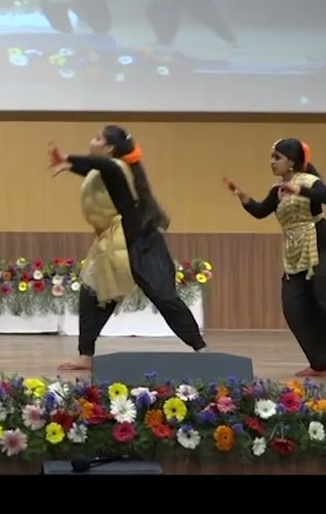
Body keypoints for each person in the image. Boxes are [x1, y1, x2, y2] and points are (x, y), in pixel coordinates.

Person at [223, 138, 326, 381]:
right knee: (295, 308)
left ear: (291, 162)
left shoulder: (309, 182)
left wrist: (300, 190)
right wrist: (242, 197)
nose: (272, 162)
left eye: (277, 157)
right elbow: (261, 211)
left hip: (321, 249)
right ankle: (319, 364)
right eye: (272, 157)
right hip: (295, 254)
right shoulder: (278, 189)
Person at [47, 127, 208, 370]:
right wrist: (72, 167)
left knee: (164, 297)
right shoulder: (106, 169)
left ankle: (202, 349)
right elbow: (96, 171)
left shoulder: (117, 167)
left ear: (109, 148)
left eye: (98, 138)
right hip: (116, 243)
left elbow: (107, 169)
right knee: (93, 294)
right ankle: (85, 356)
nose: (92, 140)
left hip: (144, 244)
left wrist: (68, 158)